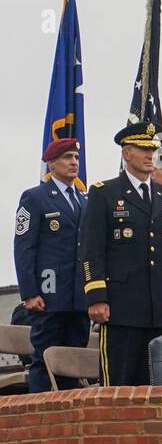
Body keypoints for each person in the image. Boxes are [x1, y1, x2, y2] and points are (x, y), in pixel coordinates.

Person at [78, 120, 162, 386]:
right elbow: (91, 249)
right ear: (126, 153)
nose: (150, 155)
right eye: (142, 149)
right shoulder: (104, 193)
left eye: (153, 149)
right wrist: (96, 296)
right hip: (121, 306)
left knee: (158, 382)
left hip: (159, 307)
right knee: (119, 381)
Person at [14, 138, 91, 391]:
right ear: (51, 163)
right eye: (67, 157)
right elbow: (24, 247)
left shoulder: (84, 200)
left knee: (74, 358)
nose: (74, 163)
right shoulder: (35, 198)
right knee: (45, 358)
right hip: (48, 295)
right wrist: (30, 292)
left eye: (76, 158)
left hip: (78, 295)